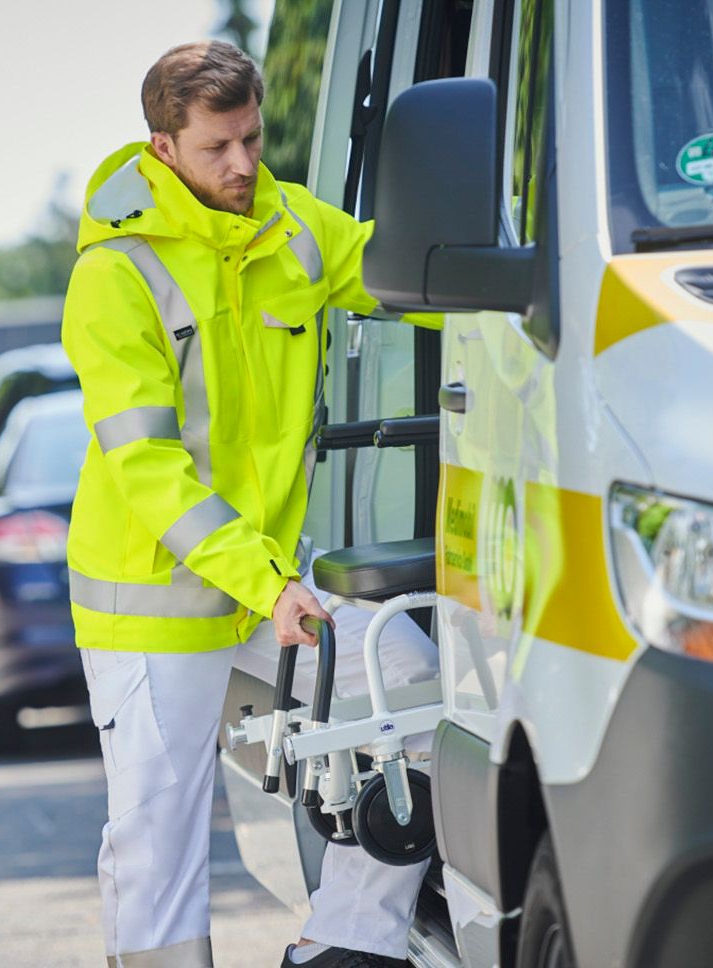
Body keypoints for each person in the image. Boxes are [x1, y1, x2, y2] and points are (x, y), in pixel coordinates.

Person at [61, 40, 441, 968]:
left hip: (265, 582)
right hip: (150, 602)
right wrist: (266, 582)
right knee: (159, 839)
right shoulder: (115, 276)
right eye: (216, 148)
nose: (241, 166)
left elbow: (416, 280)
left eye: (252, 141)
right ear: (162, 150)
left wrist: (526, 291)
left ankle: (350, 939)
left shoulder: (292, 227)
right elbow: (148, 468)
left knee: (413, 684)